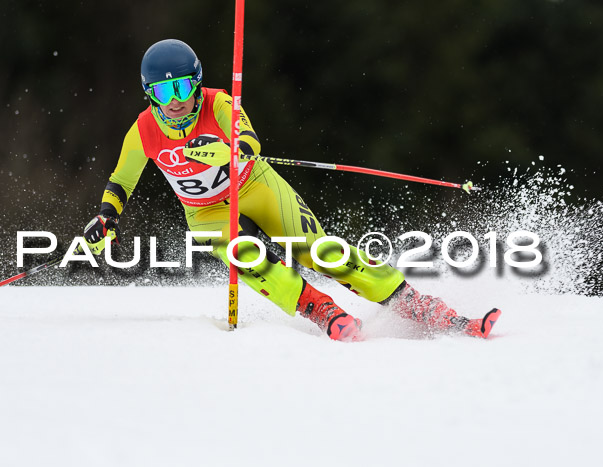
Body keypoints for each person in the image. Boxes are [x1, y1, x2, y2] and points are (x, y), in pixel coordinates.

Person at [82, 39, 500, 342]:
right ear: (149, 94)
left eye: (182, 88)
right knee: (247, 256)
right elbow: (121, 181)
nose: (174, 101)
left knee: (317, 251)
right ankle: (321, 309)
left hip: (255, 184)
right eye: (162, 91)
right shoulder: (143, 131)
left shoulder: (219, 104)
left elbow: (249, 140)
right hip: (205, 211)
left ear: (197, 84)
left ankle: (420, 306)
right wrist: (106, 216)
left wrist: (230, 152)